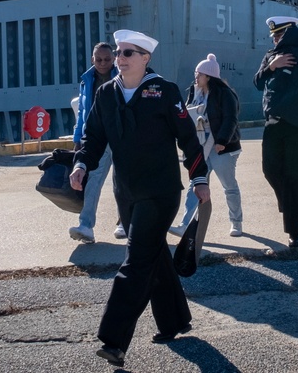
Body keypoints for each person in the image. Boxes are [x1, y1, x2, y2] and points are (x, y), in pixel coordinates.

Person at [69, 30, 210, 367]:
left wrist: (199, 177)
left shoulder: (164, 91)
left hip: (160, 191)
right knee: (154, 255)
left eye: (129, 53)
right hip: (127, 193)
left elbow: (188, 138)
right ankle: (175, 320)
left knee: (135, 261)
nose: (120, 57)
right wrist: (81, 164)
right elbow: (93, 138)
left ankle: (114, 340)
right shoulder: (106, 94)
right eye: (119, 52)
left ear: (145, 58)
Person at [253, 16, 298, 248]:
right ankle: (294, 205)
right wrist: (272, 66)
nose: (274, 39)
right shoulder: (269, 56)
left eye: (277, 35)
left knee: (296, 176)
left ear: (288, 33)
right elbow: (257, 82)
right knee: (269, 169)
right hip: (274, 121)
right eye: (273, 36)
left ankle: (295, 231)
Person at [171, 53, 244, 237]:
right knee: (195, 184)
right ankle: (185, 225)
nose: (196, 76)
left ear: (209, 76)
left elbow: (230, 119)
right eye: (196, 72)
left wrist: (222, 141)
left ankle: (236, 223)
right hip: (201, 146)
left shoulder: (225, 94)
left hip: (221, 148)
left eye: (199, 73)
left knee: (229, 186)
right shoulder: (194, 91)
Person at [69, 43, 124, 243]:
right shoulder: (87, 80)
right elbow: (83, 113)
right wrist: (78, 139)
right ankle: (85, 226)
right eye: (98, 59)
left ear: (114, 59)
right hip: (97, 137)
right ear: (93, 59)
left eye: (107, 59)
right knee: (92, 180)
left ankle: (123, 223)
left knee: (123, 180)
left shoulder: (122, 77)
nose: (103, 63)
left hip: (120, 137)